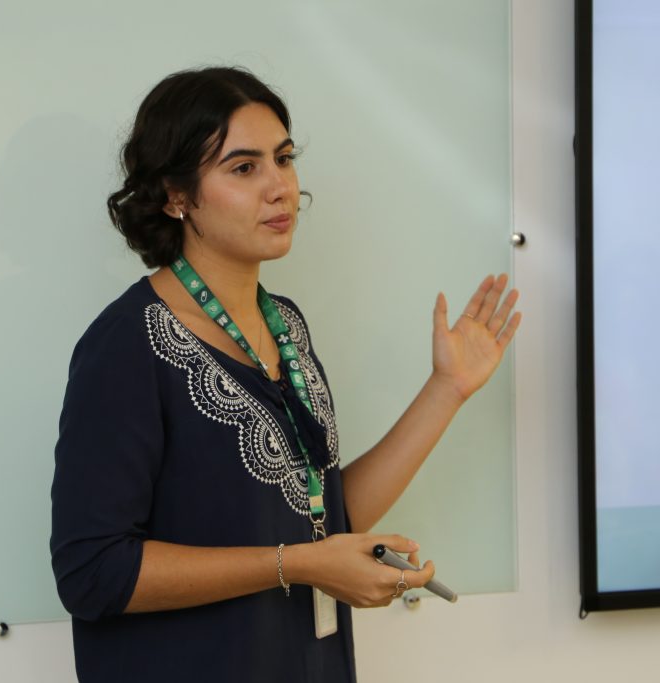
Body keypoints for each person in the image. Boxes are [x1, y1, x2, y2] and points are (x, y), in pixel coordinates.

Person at [50, 66, 520, 683]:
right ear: (176, 196)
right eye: (244, 168)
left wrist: (447, 390)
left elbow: (322, 516)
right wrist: (296, 564)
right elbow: (92, 572)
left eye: (284, 158)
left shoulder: (286, 326)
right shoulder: (127, 346)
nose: (280, 187)